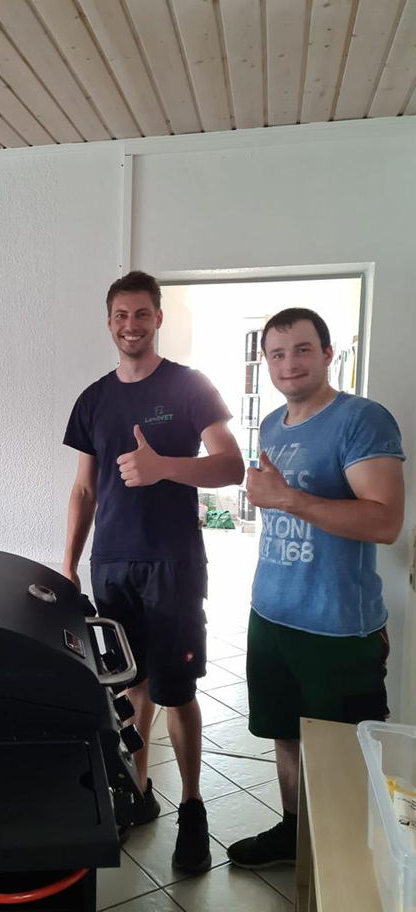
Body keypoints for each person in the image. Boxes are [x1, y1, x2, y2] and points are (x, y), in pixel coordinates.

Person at [62, 270, 244, 873]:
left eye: (142, 313)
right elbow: (84, 490)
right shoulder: (93, 399)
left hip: (173, 563)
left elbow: (231, 466)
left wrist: (164, 466)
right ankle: (138, 793)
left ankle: (192, 807)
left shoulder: (190, 387)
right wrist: (68, 565)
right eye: (121, 315)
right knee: (129, 686)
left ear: (158, 318)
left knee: (176, 691)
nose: (131, 325)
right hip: (112, 564)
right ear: (108, 322)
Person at [227, 307, 405, 869]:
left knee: (345, 750)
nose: (289, 364)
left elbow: (384, 521)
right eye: (277, 354)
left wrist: (289, 499)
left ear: (327, 354)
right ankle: (293, 832)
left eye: (302, 349)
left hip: (338, 628)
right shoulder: (272, 425)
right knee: (284, 734)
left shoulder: (362, 420)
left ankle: (348, 861)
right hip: (270, 614)